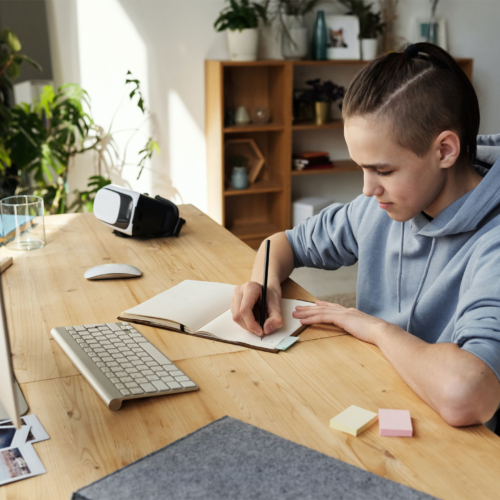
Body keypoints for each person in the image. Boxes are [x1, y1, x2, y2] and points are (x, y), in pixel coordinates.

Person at [231, 42, 500, 431]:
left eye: (383, 170)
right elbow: (282, 243)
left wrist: (372, 327)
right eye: (361, 167)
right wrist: (264, 283)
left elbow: (468, 395)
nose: (367, 189)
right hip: (376, 399)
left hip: (457, 448)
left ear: (444, 150)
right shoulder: (380, 207)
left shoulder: (492, 240)